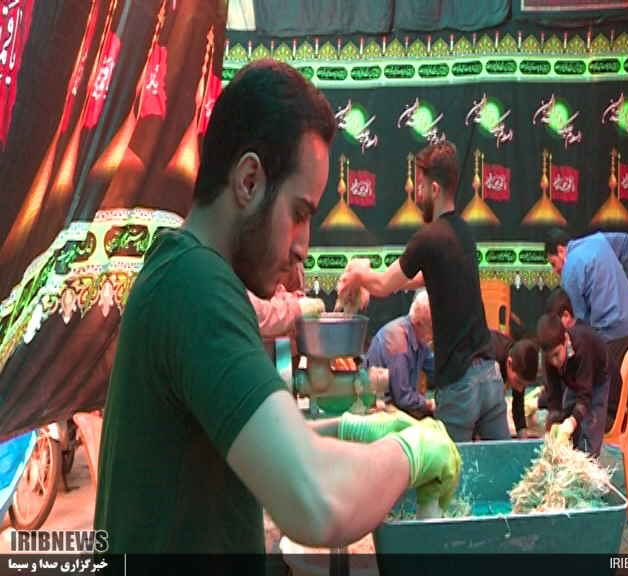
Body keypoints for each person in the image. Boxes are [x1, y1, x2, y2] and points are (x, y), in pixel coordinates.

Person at [94, 60, 460, 559]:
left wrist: (348, 430)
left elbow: (265, 442)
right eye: (299, 213)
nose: (302, 247)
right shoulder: (197, 287)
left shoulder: (182, 272)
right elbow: (316, 501)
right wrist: (409, 455)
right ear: (249, 181)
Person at [338, 141, 509, 443]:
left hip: (460, 385)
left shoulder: (427, 238)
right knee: (503, 464)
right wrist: (383, 279)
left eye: (420, 187)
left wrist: (358, 274)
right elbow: (424, 278)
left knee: (451, 469)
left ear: (434, 189)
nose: (417, 195)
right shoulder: (464, 232)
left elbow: (382, 285)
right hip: (490, 376)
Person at [545, 230, 628, 486]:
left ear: (562, 251)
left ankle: (581, 472)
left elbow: (576, 329)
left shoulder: (571, 270)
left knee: (590, 395)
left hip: (613, 333)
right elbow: (626, 242)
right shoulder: (597, 240)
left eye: (553, 263)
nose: (555, 271)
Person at [536, 314, 621, 458]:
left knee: (589, 432)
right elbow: (554, 395)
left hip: (597, 381)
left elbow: (585, 396)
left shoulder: (582, 346)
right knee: (566, 420)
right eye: (550, 357)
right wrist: (555, 423)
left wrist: (571, 422)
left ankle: (586, 464)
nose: (554, 362)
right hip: (575, 382)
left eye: (556, 354)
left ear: (565, 340)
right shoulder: (550, 356)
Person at [363, 290, 435, 419]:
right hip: (381, 412)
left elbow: (436, 369)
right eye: (432, 327)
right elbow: (403, 397)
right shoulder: (399, 344)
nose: (435, 333)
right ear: (419, 324)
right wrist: (429, 404)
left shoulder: (420, 336)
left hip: (399, 407)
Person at [247, 262, 324, 358]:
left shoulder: (273, 276)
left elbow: (278, 293)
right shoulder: (237, 284)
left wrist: (299, 300)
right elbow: (258, 314)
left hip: (282, 356)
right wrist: (297, 309)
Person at [489, 330, 540, 439]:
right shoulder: (494, 358)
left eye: (524, 385)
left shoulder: (519, 358)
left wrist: (523, 438)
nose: (520, 389)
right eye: (519, 382)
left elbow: (518, 406)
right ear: (509, 363)